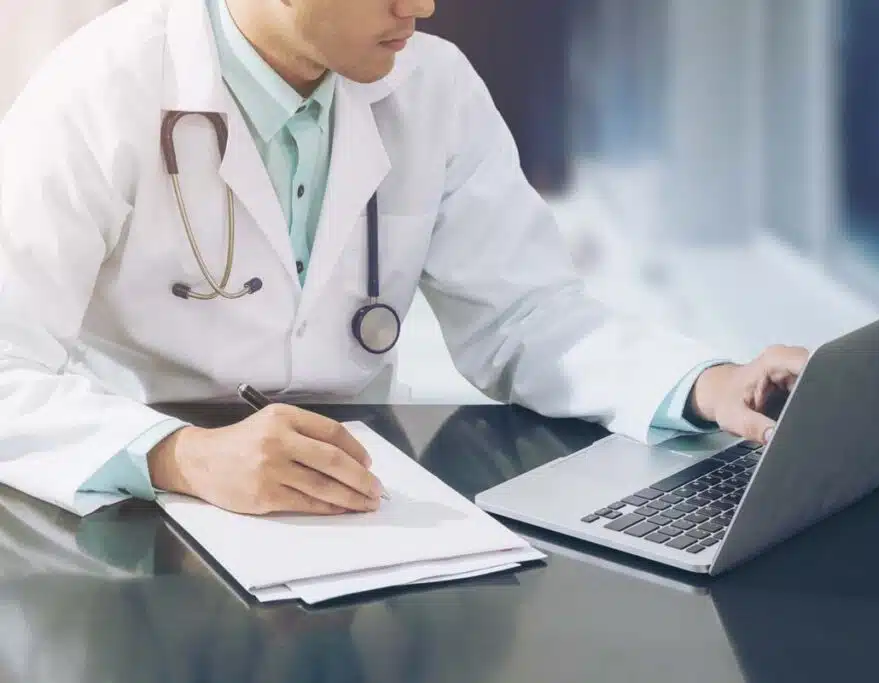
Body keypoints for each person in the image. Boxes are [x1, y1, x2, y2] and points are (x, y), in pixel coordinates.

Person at [0, 0, 808, 519]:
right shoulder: (101, 86)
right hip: (132, 517)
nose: (420, 5)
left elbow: (527, 316)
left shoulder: (433, 86)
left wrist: (705, 384)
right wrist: (180, 454)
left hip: (353, 505)